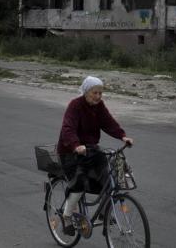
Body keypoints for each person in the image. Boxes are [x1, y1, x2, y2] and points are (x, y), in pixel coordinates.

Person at [56, 76, 134, 235]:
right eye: (95, 93)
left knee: (108, 180)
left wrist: (122, 136)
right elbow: (67, 129)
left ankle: (104, 214)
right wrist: (76, 145)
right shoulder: (75, 105)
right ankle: (67, 216)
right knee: (80, 182)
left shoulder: (99, 106)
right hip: (70, 152)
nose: (98, 96)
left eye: (100, 93)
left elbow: (108, 122)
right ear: (86, 92)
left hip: (91, 150)